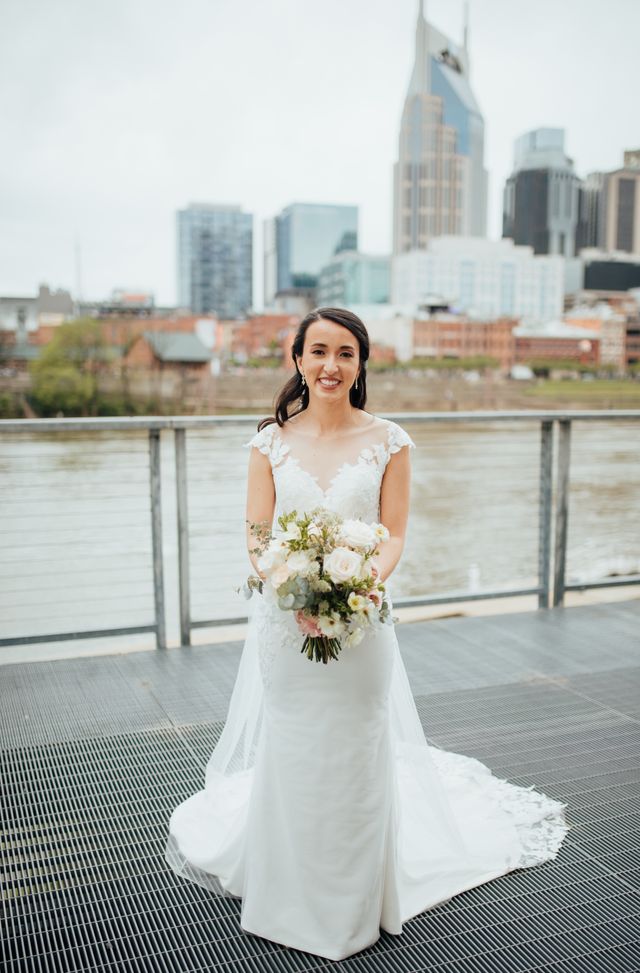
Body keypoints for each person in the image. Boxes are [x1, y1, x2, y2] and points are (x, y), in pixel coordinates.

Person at [165, 307, 570, 961]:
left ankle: (356, 902)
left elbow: (395, 532)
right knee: (294, 741)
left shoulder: (390, 440)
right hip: (285, 626)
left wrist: (357, 587)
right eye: (319, 351)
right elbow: (258, 535)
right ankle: (285, 887)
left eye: (345, 353)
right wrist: (291, 586)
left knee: (357, 742)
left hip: (363, 618)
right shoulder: (268, 443)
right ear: (298, 359)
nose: (331, 365)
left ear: (360, 364)